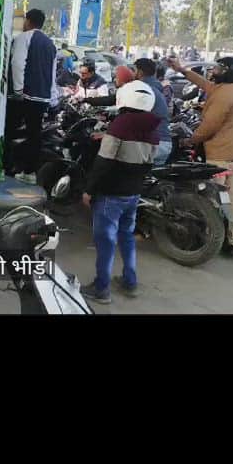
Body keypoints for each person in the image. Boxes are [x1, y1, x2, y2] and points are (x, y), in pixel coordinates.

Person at [81, 80, 161, 303]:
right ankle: (130, 282)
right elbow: (147, 163)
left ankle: (101, 289)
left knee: (106, 242)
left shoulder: (120, 124)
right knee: (126, 237)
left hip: (110, 194)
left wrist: (89, 190)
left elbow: (103, 162)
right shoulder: (152, 127)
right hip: (133, 194)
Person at [171, 55, 233, 256]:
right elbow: (206, 85)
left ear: (228, 71)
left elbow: (209, 126)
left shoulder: (224, 95)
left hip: (221, 155)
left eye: (218, 68)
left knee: (213, 200)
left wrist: (191, 140)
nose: (214, 70)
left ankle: (211, 239)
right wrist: (182, 70)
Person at [4, 9, 56, 184]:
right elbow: (52, 73)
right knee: (35, 135)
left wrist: (18, 90)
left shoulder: (23, 38)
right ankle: (29, 172)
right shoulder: (50, 44)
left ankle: (7, 167)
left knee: (10, 131)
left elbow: (17, 63)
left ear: (28, 21)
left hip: (24, 95)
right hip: (42, 98)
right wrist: (52, 96)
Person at [134, 58, 172, 165]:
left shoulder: (144, 89)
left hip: (154, 144)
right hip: (163, 142)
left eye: (133, 70)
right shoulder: (155, 87)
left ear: (139, 72)